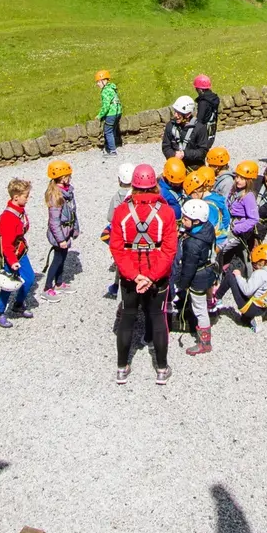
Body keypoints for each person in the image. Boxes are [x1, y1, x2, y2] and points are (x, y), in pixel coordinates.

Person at [110, 162, 178, 385]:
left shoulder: (121, 211)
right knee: (157, 318)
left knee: (128, 316)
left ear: (134, 185)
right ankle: (161, 368)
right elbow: (169, 249)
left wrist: (133, 274)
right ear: (154, 185)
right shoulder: (166, 213)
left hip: (130, 275)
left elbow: (117, 247)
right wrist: (151, 276)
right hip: (156, 275)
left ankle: (122, 367)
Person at [170, 177, 221, 357]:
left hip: (198, 277)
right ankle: (211, 308)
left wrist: (182, 285)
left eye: (186, 218)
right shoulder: (207, 228)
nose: (183, 220)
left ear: (196, 221)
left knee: (199, 309)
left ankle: (204, 341)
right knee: (204, 302)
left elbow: (188, 268)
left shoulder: (192, 245)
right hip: (209, 272)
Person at [0, 178, 39, 325]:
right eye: (25, 196)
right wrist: (13, 262)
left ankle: (18, 304)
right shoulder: (8, 218)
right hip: (12, 255)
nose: (28, 199)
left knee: (29, 278)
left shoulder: (19, 211)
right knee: (8, 284)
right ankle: (0, 313)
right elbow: (6, 244)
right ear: (16, 197)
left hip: (20, 251)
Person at [216, 242, 267, 331]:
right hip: (262, 310)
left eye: (255, 264)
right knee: (255, 292)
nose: (254, 266)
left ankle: (215, 299)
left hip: (250, 308)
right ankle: (250, 320)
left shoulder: (260, 273)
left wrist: (238, 276)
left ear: (262, 262)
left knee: (230, 275)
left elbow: (247, 291)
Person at [100, 161, 136, 297]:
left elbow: (110, 217)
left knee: (121, 260)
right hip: (134, 233)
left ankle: (117, 286)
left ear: (119, 180)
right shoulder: (136, 195)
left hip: (120, 233)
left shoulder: (116, 197)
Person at [43, 160, 78, 296]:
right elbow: (54, 221)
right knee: (57, 259)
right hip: (60, 234)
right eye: (69, 175)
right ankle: (47, 287)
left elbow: (73, 212)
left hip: (66, 232)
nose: (70, 178)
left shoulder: (67, 192)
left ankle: (59, 283)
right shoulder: (56, 196)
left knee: (63, 258)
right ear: (63, 178)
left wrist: (75, 228)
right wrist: (61, 239)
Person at [229, 159, 263, 255]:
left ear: (249, 181)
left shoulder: (248, 196)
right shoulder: (235, 189)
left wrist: (237, 228)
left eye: (242, 178)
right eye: (237, 176)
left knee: (221, 249)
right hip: (230, 224)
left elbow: (254, 219)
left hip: (237, 229)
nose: (238, 180)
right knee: (240, 254)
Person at [185, 73, 219, 165]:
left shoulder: (203, 102)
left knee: (200, 152)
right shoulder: (214, 98)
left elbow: (200, 119)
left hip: (204, 131)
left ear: (200, 89)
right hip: (212, 129)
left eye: (196, 88)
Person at [95, 68, 122, 156]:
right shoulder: (112, 88)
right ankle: (112, 144)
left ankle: (112, 151)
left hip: (111, 113)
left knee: (108, 131)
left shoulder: (105, 91)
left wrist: (99, 116)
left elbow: (105, 106)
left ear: (104, 81)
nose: (97, 84)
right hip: (118, 112)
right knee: (113, 129)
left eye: (99, 82)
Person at [161, 96, 197, 162]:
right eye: (175, 112)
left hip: (194, 166)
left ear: (188, 114)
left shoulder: (199, 128)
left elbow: (202, 151)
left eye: (178, 113)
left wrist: (185, 154)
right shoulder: (170, 125)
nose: (175, 115)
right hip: (176, 164)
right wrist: (173, 155)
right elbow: (166, 147)